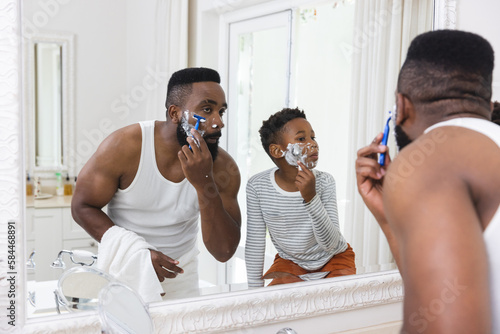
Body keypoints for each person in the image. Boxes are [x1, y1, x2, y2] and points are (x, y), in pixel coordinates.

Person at [355, 30, 500, 333]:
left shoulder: (429, 159)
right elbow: (438, 298)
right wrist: (388, 219)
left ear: (402, 105)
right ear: (485, 101)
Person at [72, 67, 241, 301]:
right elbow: (82, 206)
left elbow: (224, 251)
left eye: (221, 111)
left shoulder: (223, 168)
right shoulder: (125, 146)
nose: (218, 122)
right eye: (207, 109)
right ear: (174, 113)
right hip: (125, 271)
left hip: (182, 278)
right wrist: (137, 253)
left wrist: (204, 183)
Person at [245, 107, 355, 288]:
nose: (313, 144)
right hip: (291, 263)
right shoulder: (257, 186)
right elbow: (255, 243)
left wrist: (311, 198)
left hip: (333, 259)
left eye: (313, 137)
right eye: (302, 139)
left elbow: (331, 244)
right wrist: (253, 292)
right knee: (279, 310)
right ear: (277, 151)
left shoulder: (325, 181)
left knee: (337, 306)